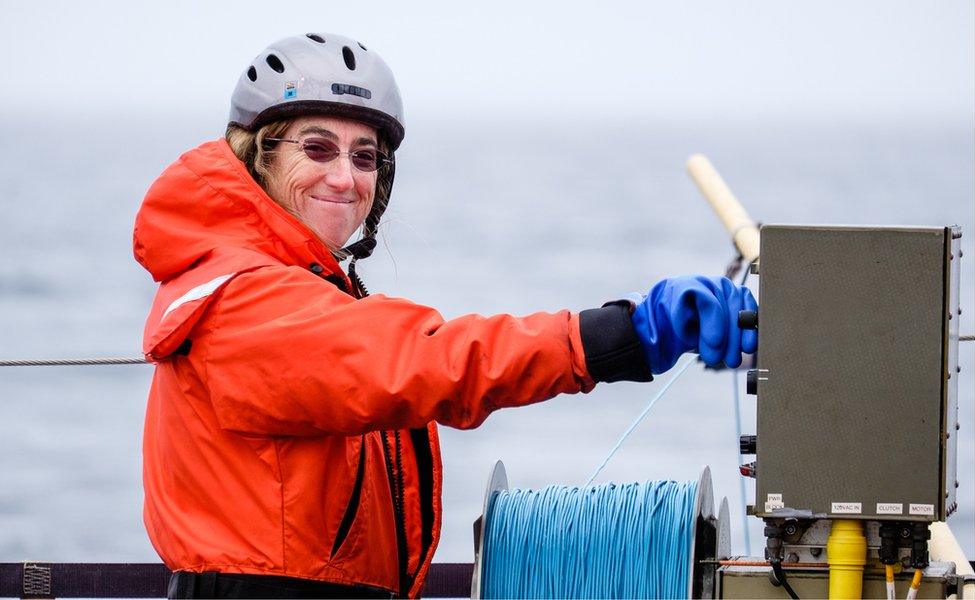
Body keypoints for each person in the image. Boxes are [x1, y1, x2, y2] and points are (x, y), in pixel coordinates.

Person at [133, 33, 758, 599]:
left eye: (365, 157)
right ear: (258, 157)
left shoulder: (289, 289)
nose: (345, 178)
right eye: (317, 148)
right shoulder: (251, 302)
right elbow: (427, 360)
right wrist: (629, 333)